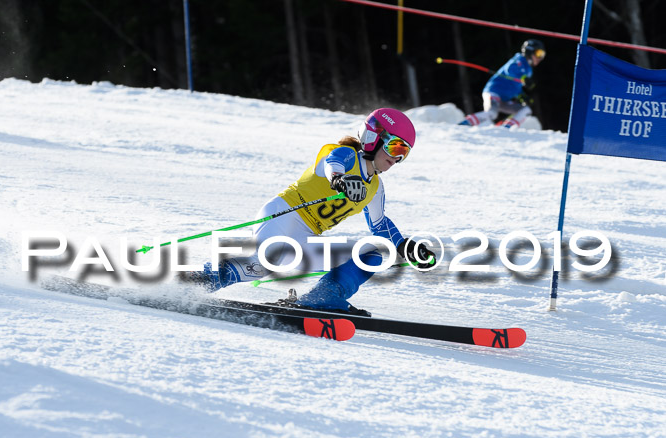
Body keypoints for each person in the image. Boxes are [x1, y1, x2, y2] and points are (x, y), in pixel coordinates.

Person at [181, 108, 436, 315]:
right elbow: (331, 163)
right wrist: (340, 180)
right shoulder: (347, 155)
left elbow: (380, 226)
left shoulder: (375, 188)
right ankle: (193, 282)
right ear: (374, 137)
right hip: (286, 215)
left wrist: (406, 246)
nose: (396, 159)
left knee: (373, 253)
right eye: (394, 148)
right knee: (260, 265)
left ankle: (323, 298)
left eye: (404, 153)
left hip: (309, 235)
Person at [459, 39, 546, 129]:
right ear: (529, 50)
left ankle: (506, 128)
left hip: (504, 100)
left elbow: (515, 85)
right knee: (492, 113)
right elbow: (510, 70)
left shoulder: (529, 70)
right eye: (539, 53)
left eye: (543, 55)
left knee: (526, 110)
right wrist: (523, 78)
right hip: (494, 92)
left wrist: (521, 96)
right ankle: (465, 123)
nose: (540, 57)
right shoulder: (519, 60)